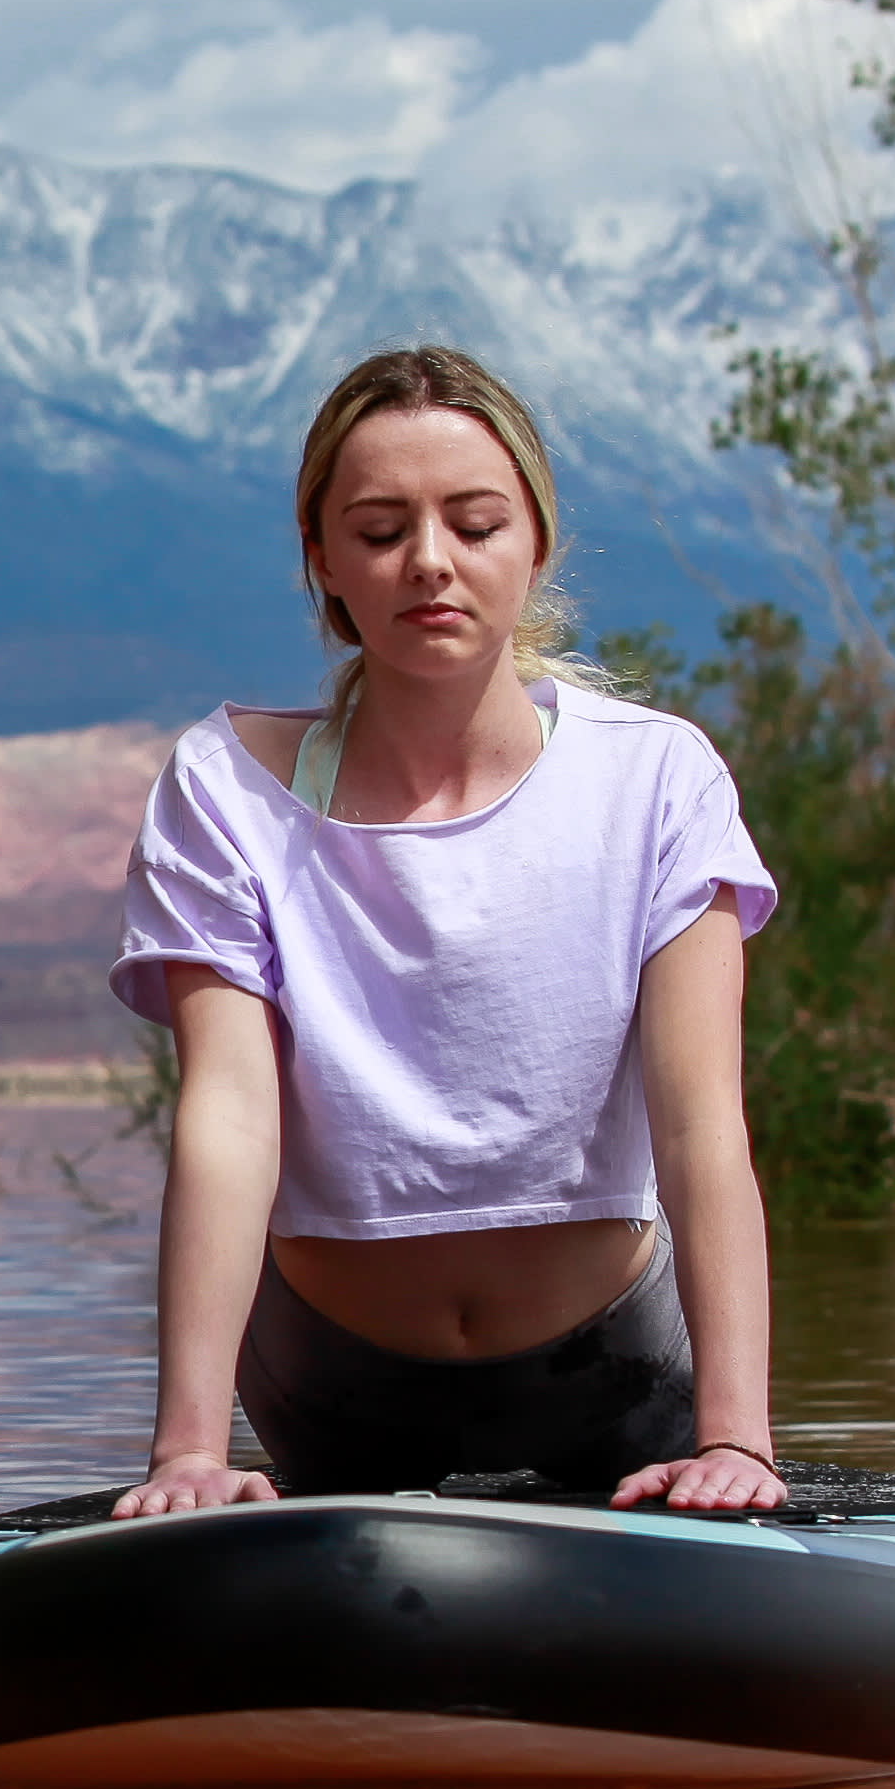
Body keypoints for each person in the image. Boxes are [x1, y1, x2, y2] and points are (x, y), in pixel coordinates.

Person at [107, 345, 785, 1519]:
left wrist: (740, 1440)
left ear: (536, 543)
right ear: (320, 560)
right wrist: (184, 1451)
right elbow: (225, 1116)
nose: (429, 562)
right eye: (377, 532)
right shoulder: (220, 787)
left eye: (474, 524)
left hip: (615, 1374)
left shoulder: (659, 780)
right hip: (328, 1383)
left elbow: (699, 1120)